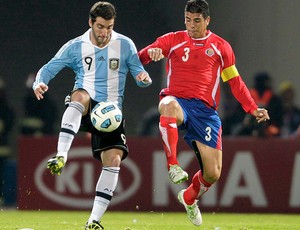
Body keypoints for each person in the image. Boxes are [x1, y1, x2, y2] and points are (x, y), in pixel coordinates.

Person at [138, 0, 269, 226]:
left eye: (196, 21)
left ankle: (189, 198)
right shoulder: (173, 39)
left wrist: (252, 107)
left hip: (205, 112)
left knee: (213, 173)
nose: (191, 26)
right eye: (187, 20)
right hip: (177, 100)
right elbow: (141, 57)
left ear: (207, 20)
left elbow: (234, 82)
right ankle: (173, 166)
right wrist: (153, 53)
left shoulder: (221, 46)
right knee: (167, 106)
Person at [32, 2, 152, 229]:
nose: (105, 32)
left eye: (109, 27)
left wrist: (144, 78)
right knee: (79, 96)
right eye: (100, 26)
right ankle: (62, 156)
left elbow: (139, 73)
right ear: (90, 22)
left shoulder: (125, 44)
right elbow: (49, 68)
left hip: (110, 114)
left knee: (114, 160)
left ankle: (93, 221)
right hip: (86, 106)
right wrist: (40, 83)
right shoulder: (76, 46)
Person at [238, 72, 283, 137]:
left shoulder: (247, 96)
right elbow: (279, 116)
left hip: (267, 130)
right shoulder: (274, 98)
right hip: (253, 129)